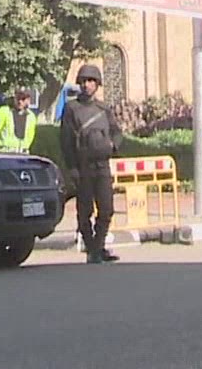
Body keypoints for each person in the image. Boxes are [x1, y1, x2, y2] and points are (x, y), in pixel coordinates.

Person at [59, 63, 122, 264]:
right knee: (84, 211)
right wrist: (72, 168)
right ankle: (92, 248)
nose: (87, 85)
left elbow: (117, 132)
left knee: (106, 208)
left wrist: (112, 145)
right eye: (84, 81)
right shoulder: (72, 108)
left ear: (97, 84)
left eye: (91, 81)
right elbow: (66, 141)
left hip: (102, 165)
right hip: (83, 166)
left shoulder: (103, 109)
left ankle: (98, 245)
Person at [0, 88, 37, 154]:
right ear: (14, 98)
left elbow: (30, 136)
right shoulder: (3, 112)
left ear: (28, 100)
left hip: (23, 153)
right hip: (4, 152)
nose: (20, 101)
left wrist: (25, 147)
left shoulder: (31, 117)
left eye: (23, 99)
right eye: (18, 98)